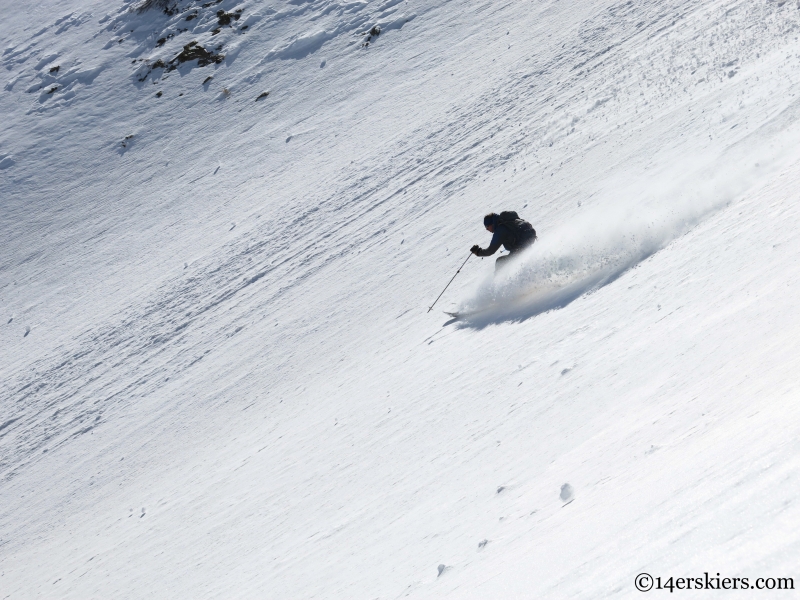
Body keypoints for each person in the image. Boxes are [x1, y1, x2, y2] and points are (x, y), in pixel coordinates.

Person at [471, 211, 537, 271]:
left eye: (487, 226)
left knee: (499, 262)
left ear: (492, 224)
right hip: (527, 246)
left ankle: (498, 283)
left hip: (519, 250)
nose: (487, 229)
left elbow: (490, 251)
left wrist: (477, 252)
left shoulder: (500, 230)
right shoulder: (509, 222)